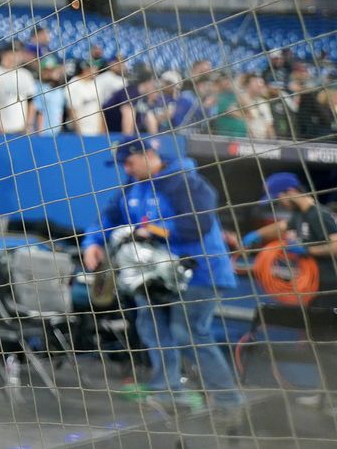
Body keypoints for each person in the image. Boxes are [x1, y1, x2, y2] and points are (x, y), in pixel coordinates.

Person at [80, 136, 245, 421]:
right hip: (155, 277)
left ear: (147, 155)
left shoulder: (184, 182)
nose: (126, 169)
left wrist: (152, 231)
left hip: (199, 275)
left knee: (189, 334)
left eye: (129, 162)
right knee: (152, 327)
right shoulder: (132, 187)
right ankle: (168, 391)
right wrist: (92, 242)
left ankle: (229, 402)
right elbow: (107, 217)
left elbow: (198, 225)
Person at [243, 173, 337, 260]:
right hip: (310, 274)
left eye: (279, 198)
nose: (279, 203)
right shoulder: (299, 213)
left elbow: (335, 246)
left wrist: (308, 250)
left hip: (328, 276)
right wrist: (258, 234)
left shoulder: (318, 214)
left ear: (291, 191)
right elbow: (282, 226)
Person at [64, 60, 106, 137]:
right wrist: (79, 132)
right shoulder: (74, 84)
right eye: (93, 68)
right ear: (85, 70)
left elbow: (99, 110)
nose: (96, 70)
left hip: (96, 131)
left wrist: (102, 130)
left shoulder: (95, 84)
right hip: (80, 132)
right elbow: (72, 110)